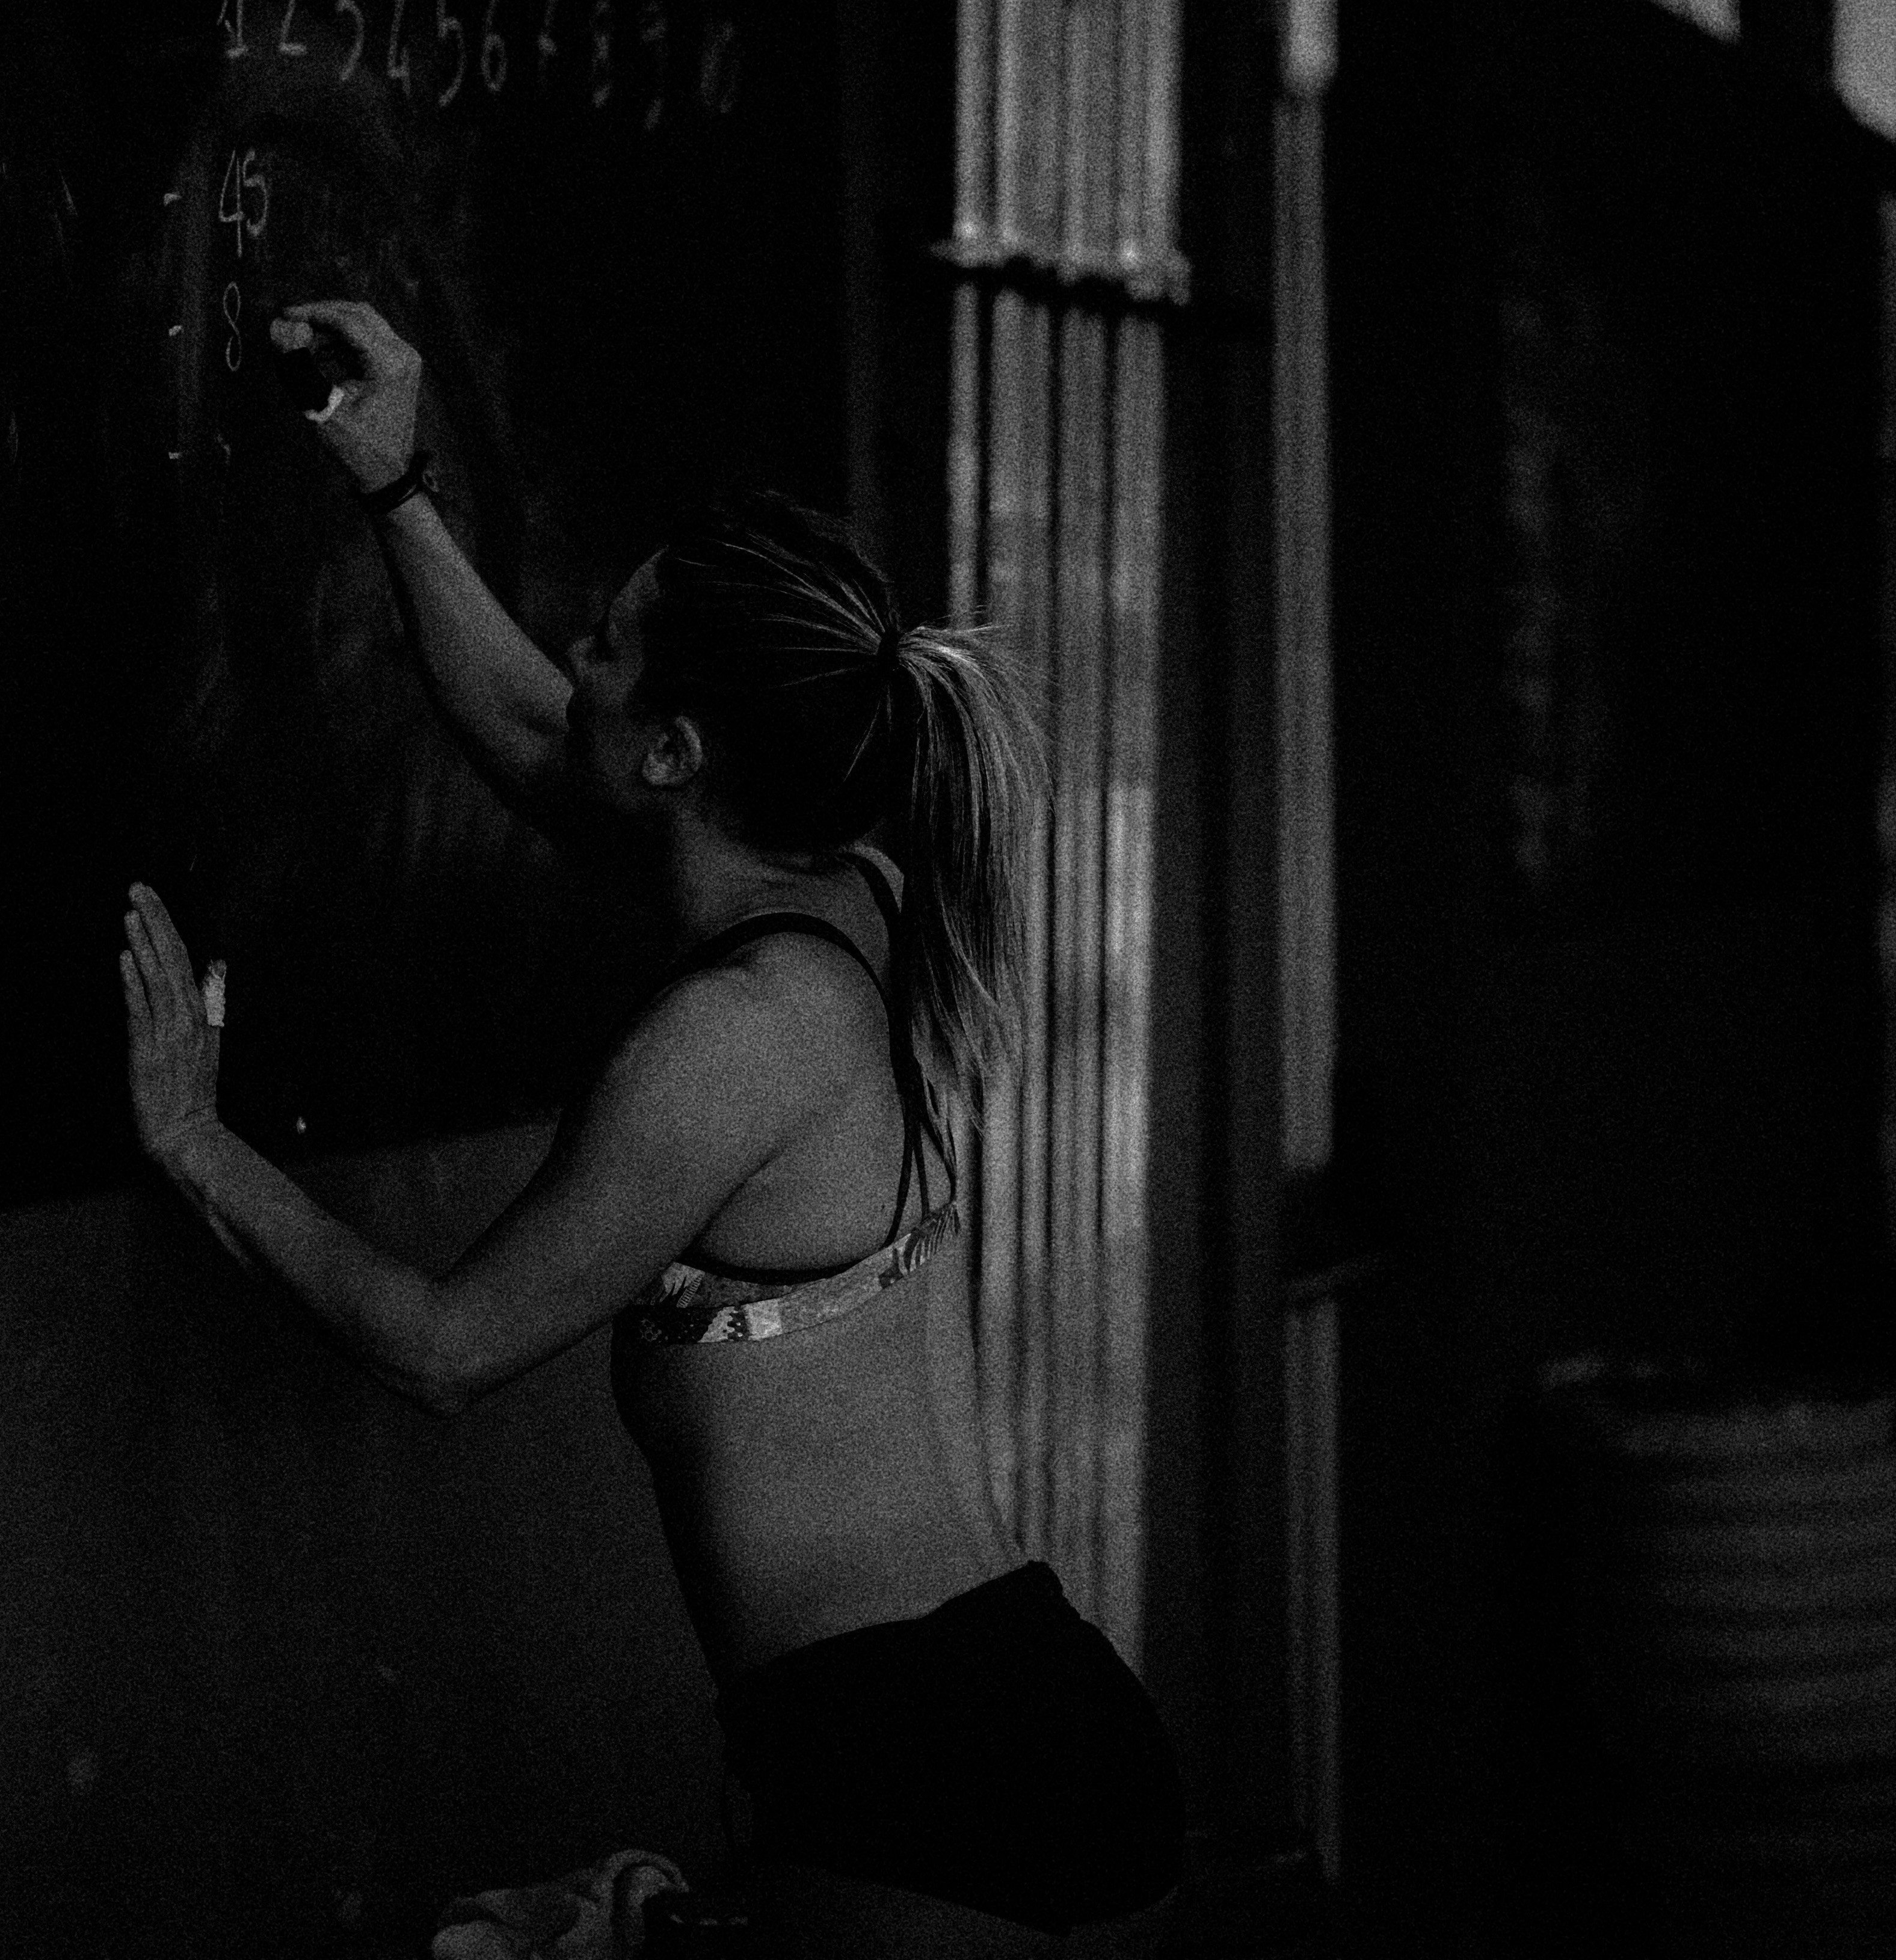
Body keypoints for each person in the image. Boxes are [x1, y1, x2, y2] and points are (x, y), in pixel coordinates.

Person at [116, 300, 1185, 1958]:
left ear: (681, 752)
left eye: (609, 645)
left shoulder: (729, 1043)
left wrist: (195, 1140)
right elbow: (547, 744)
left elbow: (448, 1344)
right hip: (1015, 1710)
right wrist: (396, 494)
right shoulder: (850, 900)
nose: (577, 662)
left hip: (912, 1769)